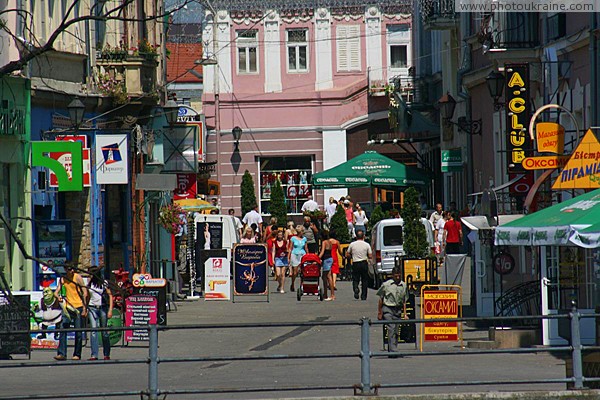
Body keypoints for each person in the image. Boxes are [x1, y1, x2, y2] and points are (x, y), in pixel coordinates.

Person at [54, 265, 88, 361]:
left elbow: (85, 292)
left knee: (78, 332)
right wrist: (57, 296)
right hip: (68, 306)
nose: (72, 271)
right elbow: (56, 292)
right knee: (63, 329)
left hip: (78, 306)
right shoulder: (63, 279)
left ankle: (77, 354)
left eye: (73, 269)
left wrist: (85, 308)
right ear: (65, 270)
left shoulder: (77, 277)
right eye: (69, 269)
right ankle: (62, 353)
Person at [376, 266, 408, 354]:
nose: (397, 278)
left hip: (397, 310)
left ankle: (392, 349)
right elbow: (380, 299)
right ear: (392, 275)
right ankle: (393, 350)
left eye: (399, 276)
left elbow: (404, 301)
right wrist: (380, 312)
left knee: (396, 331)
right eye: (396, 276)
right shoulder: (386, 285)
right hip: (388, 309)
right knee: (391, 328)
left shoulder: (403, 285)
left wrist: (405, 314)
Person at [86, 267, 114, 361]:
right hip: (92, 307)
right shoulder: (89, 283)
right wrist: (85, 308)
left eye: (90, 274)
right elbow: (87, 296)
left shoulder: (104, 283)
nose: (89, 275)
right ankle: (94, 354)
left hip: (102, 307)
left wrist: (110, 309)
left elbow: (110, 295)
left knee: (104, 332)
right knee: (93, 331)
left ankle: (106, 354)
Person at [346, 230, 372, 301]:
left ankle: (356, 288)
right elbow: (370, 255)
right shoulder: (366, 245)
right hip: (364, 262)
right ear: (363, 236)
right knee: (364, 280)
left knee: (355, 279)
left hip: (355, 263)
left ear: (356, 236)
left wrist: (351, 256)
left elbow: (347, 254)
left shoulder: (352, 244)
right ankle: (363, 296)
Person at [288, 225, 307, 292]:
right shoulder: (293, 238)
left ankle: (301, 285)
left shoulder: (304, 239)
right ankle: (292, 283)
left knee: (303, 271)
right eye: (302, 231)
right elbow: (290, 248)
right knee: (295, 271)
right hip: (295, 255)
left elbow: (306, 248)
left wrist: (308, 256)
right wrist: (289, 257)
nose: (303, 233)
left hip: (302, 255)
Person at [318, 230, 335, 301]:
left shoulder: (324, 242)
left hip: (326, 260)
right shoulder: (329, 242)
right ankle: (325, 294)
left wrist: (317, 258)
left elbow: (322, 252)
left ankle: (332, 295)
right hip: (330, 258)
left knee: (328, 276)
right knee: (324, 276)